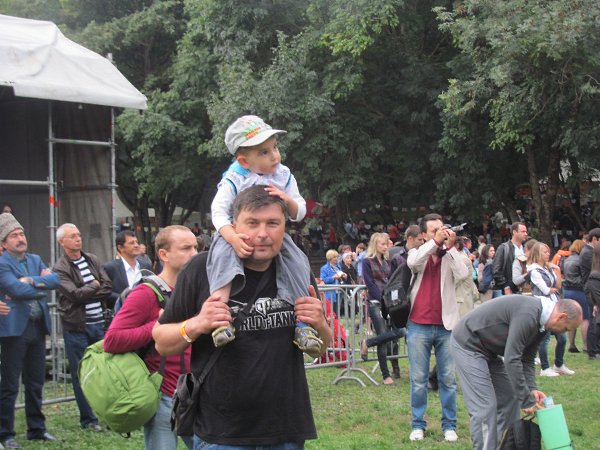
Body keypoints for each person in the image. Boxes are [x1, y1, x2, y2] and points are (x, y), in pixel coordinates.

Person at [152, 186, 332, 449]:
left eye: (272, 223)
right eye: (252, 223)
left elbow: (321, 347)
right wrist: (197, 323)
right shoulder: (202, 269)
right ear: (234, 226)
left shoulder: (296, 269)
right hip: (221, 433)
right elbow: (161, 341)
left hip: (286, 431)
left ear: (285, 227)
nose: (262, 233)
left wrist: (320, 324)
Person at [207, 115, 319, 356]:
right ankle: (220, 318)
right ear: (244, 161)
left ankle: (303, 325)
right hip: (235, 234)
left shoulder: (283, 175)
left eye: (275, 148)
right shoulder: (235, 178)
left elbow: (299, 212)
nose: (275, 156)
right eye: (264, 152)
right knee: (222, 257)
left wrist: (287, 200)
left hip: (276, 237)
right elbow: (218, 212)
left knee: (298, 261)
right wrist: (232, 237)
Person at [104, 226, 197, 450]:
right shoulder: (146, 293)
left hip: (194, 391)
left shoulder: (196, 288)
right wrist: (157, 325)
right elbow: (112, 340)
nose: (194, 254)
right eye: (186, 248)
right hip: (164, 393)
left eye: (196, 247)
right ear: (164, 254)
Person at [451, 296, 583, 450]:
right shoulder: (528, 314)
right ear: (561, 317)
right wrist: (526, 400)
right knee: (485, 408)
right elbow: (512, 359)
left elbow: (527, 359)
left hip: (489, 350)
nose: (563, 333)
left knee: (510, 397)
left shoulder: (542, 325)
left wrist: (531, 389)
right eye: (566, 329)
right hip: (468, 344)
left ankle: (505, 446)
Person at [406, 213, 470, 443]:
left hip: (446, 326)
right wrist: (435, 243)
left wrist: (450, 247)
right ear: (424, 235)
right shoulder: (418, 253)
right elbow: (413, 263)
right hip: (418, 325)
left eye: (442, 228)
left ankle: (449, 425)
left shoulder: (450, 255)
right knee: (418, 379)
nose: (441, 233)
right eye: (434, 230)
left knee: (448, 379)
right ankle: (417, 425)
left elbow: (463, 274)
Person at [0, 213, 60, 448]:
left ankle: (37, 429)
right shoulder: (2, 263)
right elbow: (16, 289)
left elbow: (56, 280)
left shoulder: (35, 259)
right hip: (14, 330)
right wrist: (39, 285)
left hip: (37, 327)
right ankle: (5, 433)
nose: (20, 238)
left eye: (21, 233)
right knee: (10, 385)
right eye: (14, 235)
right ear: (3, 243)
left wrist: (30, 281)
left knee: (36, 382)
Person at [53, 223, 113, 433]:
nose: (78, 238)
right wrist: (94, 285)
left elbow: (107, 286)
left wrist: (89, 290)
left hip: (99, 323)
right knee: (81, 374)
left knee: (104, 371)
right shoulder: (60, 268)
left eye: (78, 234)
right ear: (62, 242)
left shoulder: (92, 259)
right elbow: (74, 295)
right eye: (73, 236)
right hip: (77, 327)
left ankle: (108, 414)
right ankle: (88, 419)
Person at [361, 232, 404, 385]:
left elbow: (392, 281)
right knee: (383, 338)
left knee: (400, 331)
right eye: (382, 244)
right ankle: (386, 375)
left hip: (389, 302)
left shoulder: (387, 261)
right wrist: (382, 299)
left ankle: (368, 343)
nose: (386, 247)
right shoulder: (366, 262)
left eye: (386, 244)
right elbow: (370, 283)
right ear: (375, 244)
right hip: (376, 302)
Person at [527, 242, 574, 377]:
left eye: (548, 252)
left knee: (562, 337)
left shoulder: (548, 268)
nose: (548, 254)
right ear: (538, 253)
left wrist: (557, 270)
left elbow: (557, 286)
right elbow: (546, 290)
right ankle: (545, 368)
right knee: (545, 338)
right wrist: (551, 289)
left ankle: (559, 364)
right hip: (543, 306)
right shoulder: (534, 270)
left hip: (554, 305)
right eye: (545, 252)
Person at [103, 230, 152, 308]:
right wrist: (126, 298)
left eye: (137, 242)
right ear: (120, 248)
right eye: (132, 243)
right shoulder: (111, 268)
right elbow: (106, 293)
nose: (136, 245)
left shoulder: (146, 266)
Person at [562, 239, 589, 353]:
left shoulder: (566, 259)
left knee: (571, 317)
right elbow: (584, 276)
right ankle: (586, 346)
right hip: (580, 290)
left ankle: (572, 345)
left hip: (567, 290)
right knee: (585, 318)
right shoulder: (581, 260)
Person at [492, 222, 528, 297]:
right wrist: (506, 286)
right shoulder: (504, 248)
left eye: (526, 231)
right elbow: (496, 270)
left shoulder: (526, 248)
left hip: (525, 290)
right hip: (510, 290)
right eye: (523, 231)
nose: (526, 234)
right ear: (514, 232)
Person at [580, 228, 600, 359]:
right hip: (592, 287)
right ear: (595, 239)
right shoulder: (588, 252)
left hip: (593, 285)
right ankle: (593, 350)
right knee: (594, 319)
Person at [320, 249, 343, 313]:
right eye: (334, 257)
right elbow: (323, 279)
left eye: (337, 257)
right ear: (330, 258)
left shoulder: (338, 267)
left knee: (337, 311)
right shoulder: (324, 268)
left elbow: (340, 277)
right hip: (330, 293)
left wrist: (344, 276)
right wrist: (333, 277)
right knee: (331, 312)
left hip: (338, 292)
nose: (336, 258)